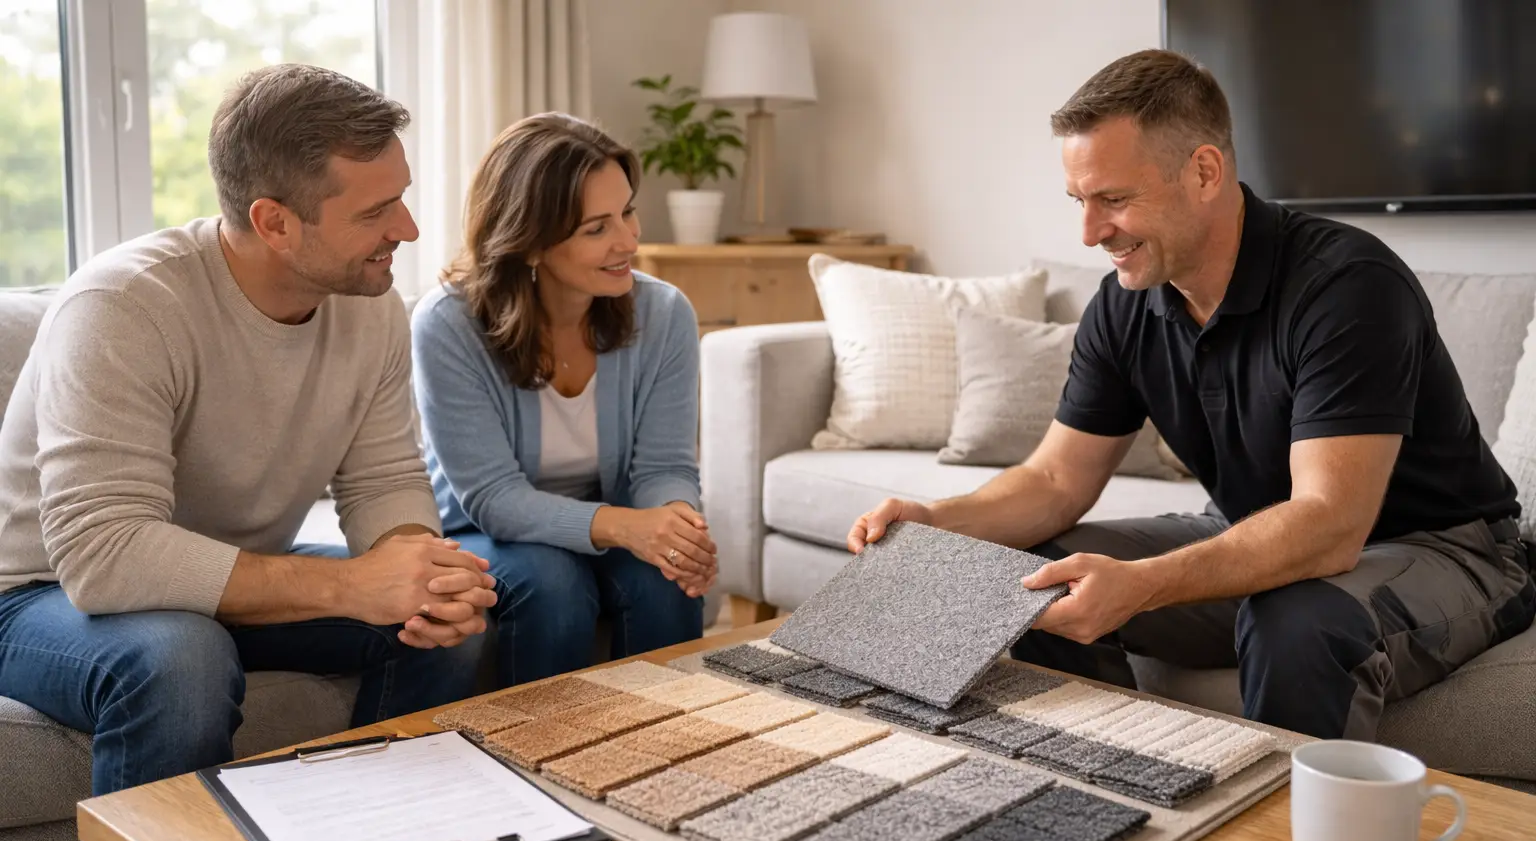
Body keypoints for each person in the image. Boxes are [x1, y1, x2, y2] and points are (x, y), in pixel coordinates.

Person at [0, 65, 497, 841]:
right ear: (274, 222)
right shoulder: (126, 307)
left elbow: (386, 479)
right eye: (378, 209)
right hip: (35, 593)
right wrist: (357, 589)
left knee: (458, 619)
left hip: (210, 574)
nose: (410, 230)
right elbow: (106, 558)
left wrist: (415, 570)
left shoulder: (370, 305)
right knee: (180, 657)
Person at [848, 49, 1533, 741]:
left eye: (1114, 199)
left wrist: (1143, 583)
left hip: (1449, 550)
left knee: (1297, 621)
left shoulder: (1347, 286)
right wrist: (933, 518)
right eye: (1079, 202)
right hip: (1252, 525)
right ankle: (1104, 787)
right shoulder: (1125, 304)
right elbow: (1055, 479)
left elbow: (1329, 524)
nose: (1089, 233)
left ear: (1205, 172)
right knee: (1034, 577)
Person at [411, 113, 714, 688]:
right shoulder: (447, 324)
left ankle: (676, 747)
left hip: (615, 514)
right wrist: (626, 527)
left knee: (665, 576)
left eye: (627, 211)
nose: (628, 241)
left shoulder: (665, 312)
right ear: (529, 243)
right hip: (483, 529)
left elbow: (664, 467)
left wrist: (678, 528)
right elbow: (495, 500)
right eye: (596, 228)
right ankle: (540, 758)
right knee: (552, 581)